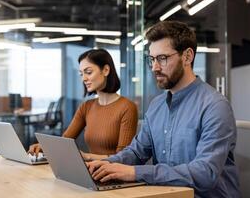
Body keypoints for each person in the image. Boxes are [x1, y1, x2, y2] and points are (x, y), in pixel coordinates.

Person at [87, 21, 240, 197]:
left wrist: (134, 173)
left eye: (162, 58)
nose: (154, 67)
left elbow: (205, 173)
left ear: (187, 57)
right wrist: (106, 166)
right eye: (151, 59)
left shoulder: (215, 106)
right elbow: (136, 151)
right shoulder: (157, 106)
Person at [29, 49, 138, 161]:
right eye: (81, 74)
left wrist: (87, 156)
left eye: (88, 72)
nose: (84, 78)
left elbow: (124, 158)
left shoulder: (127, 107)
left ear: (105, 70)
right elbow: (65, 140)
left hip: (114, 174)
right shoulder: (86, 106)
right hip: (91, 171)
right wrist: (45, 146)